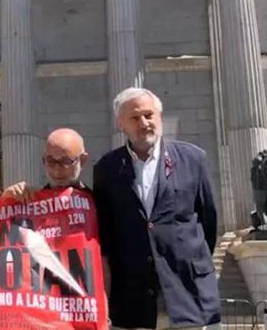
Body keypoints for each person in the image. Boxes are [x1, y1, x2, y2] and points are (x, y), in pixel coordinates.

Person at [93, 87, 219, 330]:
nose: (144, 123)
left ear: (159, 117)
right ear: (121, 124)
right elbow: (106, 233)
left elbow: (208, 222)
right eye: (134, 117)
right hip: (133, 301)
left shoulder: (194, 159)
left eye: (149, 115)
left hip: (189, 295)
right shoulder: (107, 170)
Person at [0, 127, 91, 202]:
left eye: (65, 161)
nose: (57, 170)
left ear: (82, 160)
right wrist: (7, 200)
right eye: (51, 161)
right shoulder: (32, 201)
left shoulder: (97, 202)